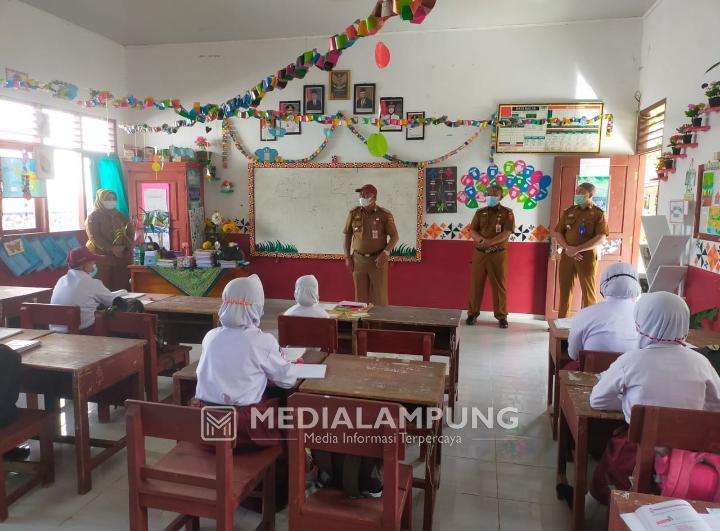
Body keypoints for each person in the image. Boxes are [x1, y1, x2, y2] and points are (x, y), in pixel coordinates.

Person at [587, 292, 720, 504]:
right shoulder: (701, 363)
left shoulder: (631, 360)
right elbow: (715, 407)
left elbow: (597, 401)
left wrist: (632, 404)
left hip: (636, 456)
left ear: (642, 322)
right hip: (687, 461)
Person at [195, 275, 297, 448]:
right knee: (288, 417)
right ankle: (292, 469)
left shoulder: (210, 336)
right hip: (242, 431)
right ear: (257, 307)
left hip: (205, 426)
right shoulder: (261, 341)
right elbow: (288, 381)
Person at [552, 182, 609, 318]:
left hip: (587, 256)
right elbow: (558, 233)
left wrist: (577, 249)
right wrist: (567, 248)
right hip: (567, 255)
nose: (577, 194)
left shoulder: (597, 213)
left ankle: (590, 323)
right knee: (565, 290)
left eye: (581, 192)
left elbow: (601, 238)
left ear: (590, 194)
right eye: (576, 191)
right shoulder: (569, 211)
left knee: (588, 291)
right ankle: (562, 322)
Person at [566, 262, 641, 364]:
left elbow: (573, 354)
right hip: (634, 378)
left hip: (593, 378)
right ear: (636, 285)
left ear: (603, 285)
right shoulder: (646, 316)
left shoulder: (584, 314)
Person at [466, 185, 515, 328]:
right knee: (476, 285)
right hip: (480, 254)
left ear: (500, 197)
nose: (490, 196)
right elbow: (473, 230)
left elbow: (506, 232)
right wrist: (481, 241)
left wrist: (490, 242)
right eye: (488, 193)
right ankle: (472, 314)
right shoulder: (480, 212)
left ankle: (502, 317)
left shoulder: (507, 213)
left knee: (499, 286)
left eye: (494, 194)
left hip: (498, 254)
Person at [343, 184, 399, 306]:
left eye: (366, 194)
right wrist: (347, 257)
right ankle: (361, 324)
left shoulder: (384, 214)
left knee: (380, 299)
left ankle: (378, 324)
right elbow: (347, 235)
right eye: (360, 194)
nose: (362, 196)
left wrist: (385, 253)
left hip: (378, 261)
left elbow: (395, 237)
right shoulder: (354, 213)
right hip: (358, 260)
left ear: (374, 197)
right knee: (360, 300)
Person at [50, 247, 127, 333]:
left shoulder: (61, 280)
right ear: (84, 264)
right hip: (82, 333)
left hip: (56, 332)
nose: (94, 264)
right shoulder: (90, 282)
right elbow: (114, 301)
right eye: (92, 262)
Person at [85, 189, 132, 291]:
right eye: (107, 199)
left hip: (120, 257)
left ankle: (121, 306)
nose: (111, 201)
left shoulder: (120, 215)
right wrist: (112, 249)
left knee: (121, 286)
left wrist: (124, 247)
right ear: (100, 200)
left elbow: (130, 232)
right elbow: (94, 237)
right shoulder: (93, 217)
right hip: (101, 257)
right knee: (102, 287)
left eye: (113, 199)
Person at [0, 344, 30, 460]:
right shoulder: (6, 354)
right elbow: (10, 397)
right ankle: (7, 449)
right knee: (9, 409)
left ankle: (8, 450)